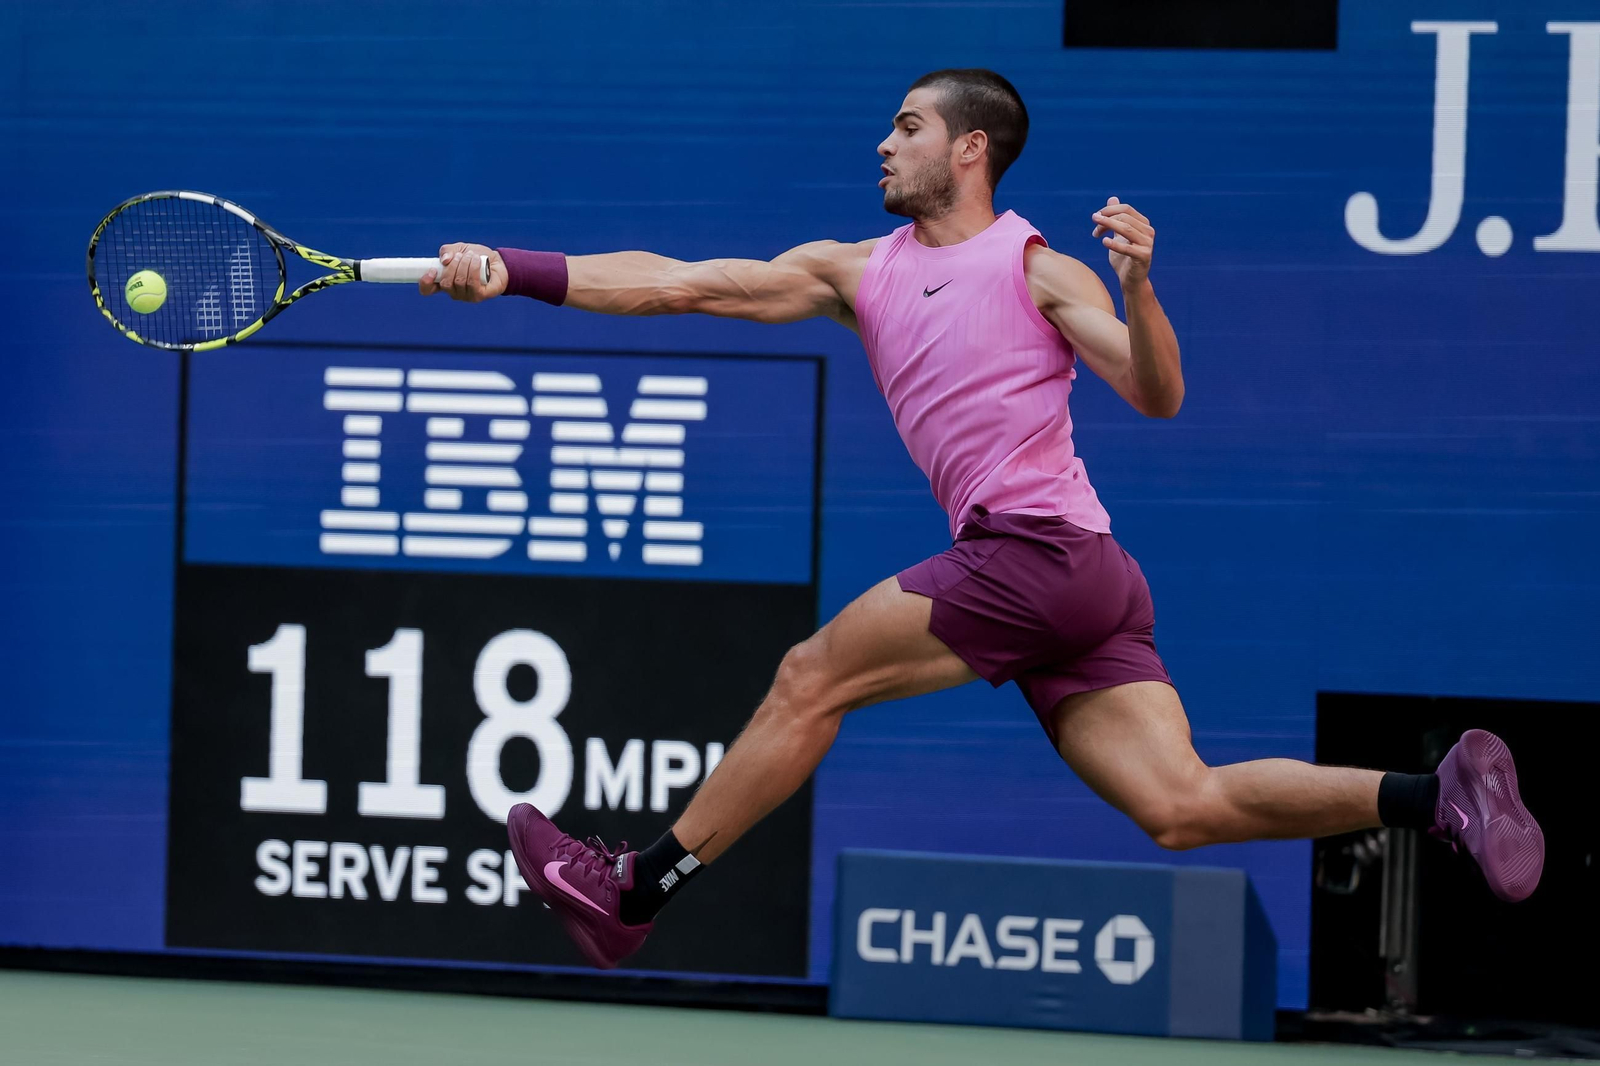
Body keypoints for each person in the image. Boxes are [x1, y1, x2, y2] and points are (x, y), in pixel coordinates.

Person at [422, 68, 1545, 970]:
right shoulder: (852, 271)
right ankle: (1429, 793)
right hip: (1090, 580)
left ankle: (633, 891)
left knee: (812, 675)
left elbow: (1157, 394)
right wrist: (508, 269)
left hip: (1035, 553)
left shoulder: (1039, 269)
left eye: (906, 127)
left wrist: (1142, 288)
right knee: (1180, 804)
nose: (883, 144)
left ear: (969, 150)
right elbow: (676, 283)